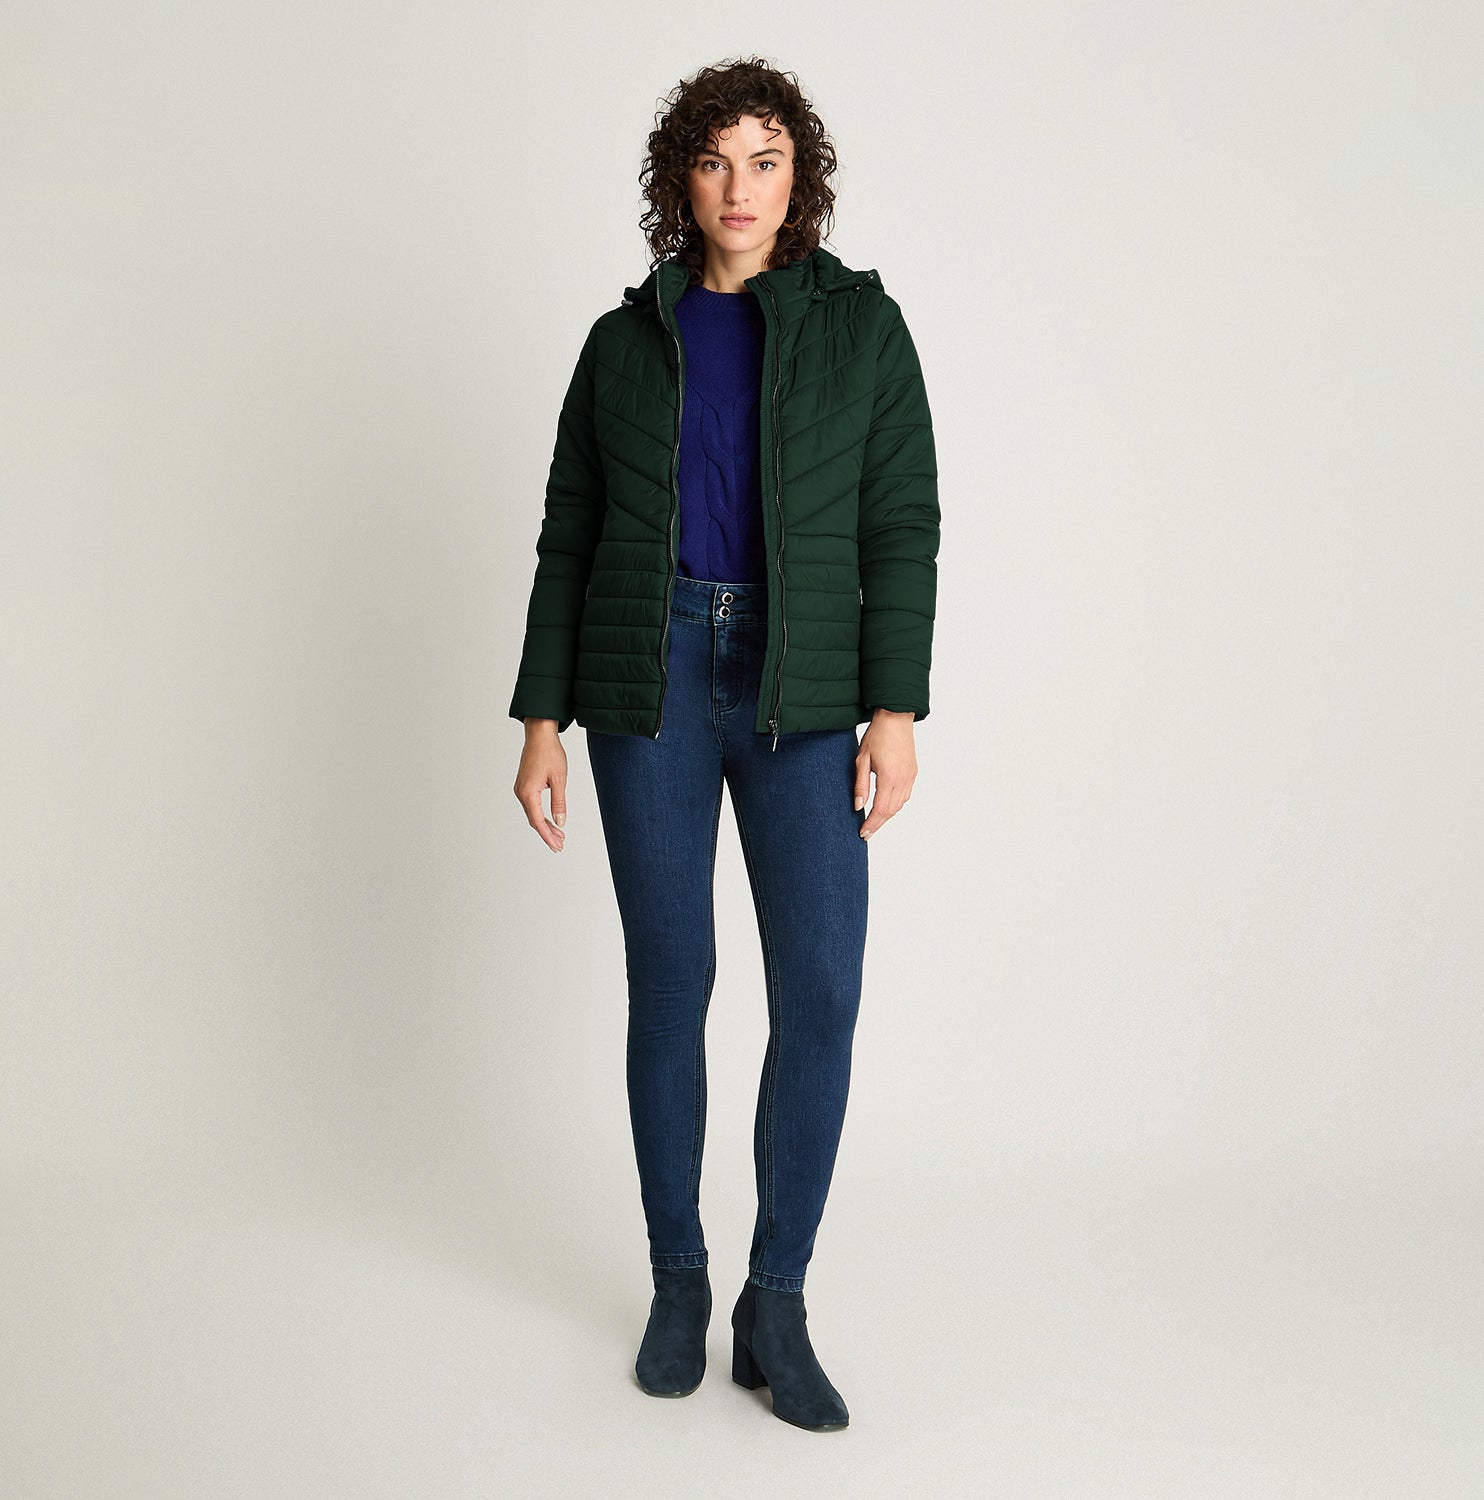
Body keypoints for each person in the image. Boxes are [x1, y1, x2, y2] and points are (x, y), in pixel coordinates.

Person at [509, 56, 940, 1432]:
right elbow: (570, 533)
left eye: (765, 160)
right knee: (671, 982)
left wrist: (895, 709)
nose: (739, 188)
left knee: (819, 992)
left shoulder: (863, 331)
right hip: (649, 679)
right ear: (679, 181)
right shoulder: (621, 343)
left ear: (799, 177)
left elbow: (900, 526)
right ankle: (678, 1280)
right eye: (714, 160)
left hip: (802, 688)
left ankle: (778, 1300)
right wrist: (540, 719)